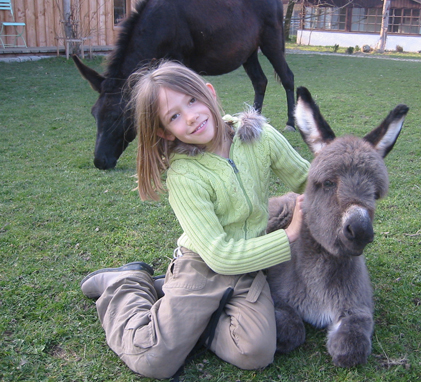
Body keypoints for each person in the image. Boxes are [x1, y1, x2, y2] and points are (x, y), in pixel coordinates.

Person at [80, 60, 310, 379]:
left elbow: (307, 179)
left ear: (210, 94)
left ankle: (184, 314)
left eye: (192, 100)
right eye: (174, 116)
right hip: (203, 265)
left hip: (247, 266)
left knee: (256, 351)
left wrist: (344, 193)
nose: (191, 116)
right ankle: (125, 284)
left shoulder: (261, 137)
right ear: (164, 130)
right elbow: (218, 254)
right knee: (153, 359)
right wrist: (289, 235)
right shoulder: (184, 175)